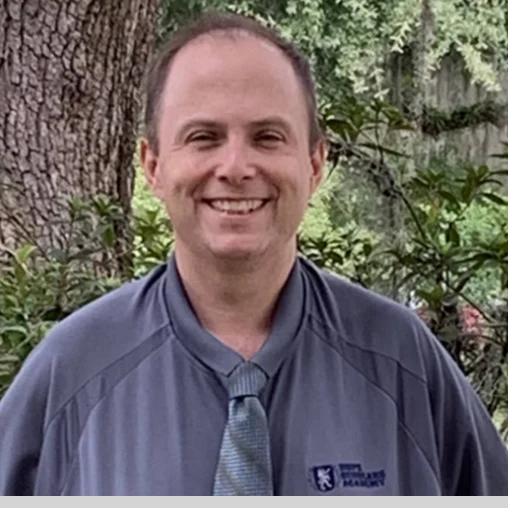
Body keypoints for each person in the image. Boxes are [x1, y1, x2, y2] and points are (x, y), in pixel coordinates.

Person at [1, 11, 507, 497]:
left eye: (267, 137)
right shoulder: (71, 375)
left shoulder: (404, 366)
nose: (236, 166)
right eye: (204, 137)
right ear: (152, 165)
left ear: (314, 163)